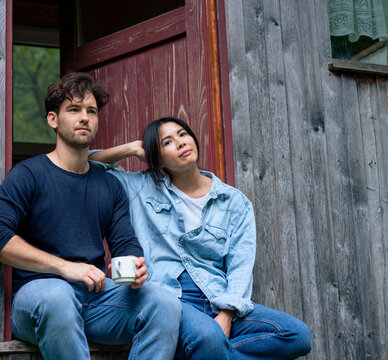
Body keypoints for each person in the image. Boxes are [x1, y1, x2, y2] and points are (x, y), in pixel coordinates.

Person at [0, 74, 181, 360]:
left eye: (91, 111)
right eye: (74, 110)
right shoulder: (29, 174)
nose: (84, 117)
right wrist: (64, 267)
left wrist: (133, 268)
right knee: (58, 297)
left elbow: (125, 243)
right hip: (38, 300)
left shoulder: (109, 185)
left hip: (95, 300)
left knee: (165, 303)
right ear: (53, 120)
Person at [89, 116, 312, 360]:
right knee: (209, 339)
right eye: (168, 142)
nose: (181, 142)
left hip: (217, 297)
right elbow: (88, 166)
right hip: (171, 298)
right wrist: (131, 148)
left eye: (183, 134)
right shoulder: (141, 188)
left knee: (296, 335)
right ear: (157, 156)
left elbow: (240, 266)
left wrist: (226, 315)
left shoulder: (234, 202)